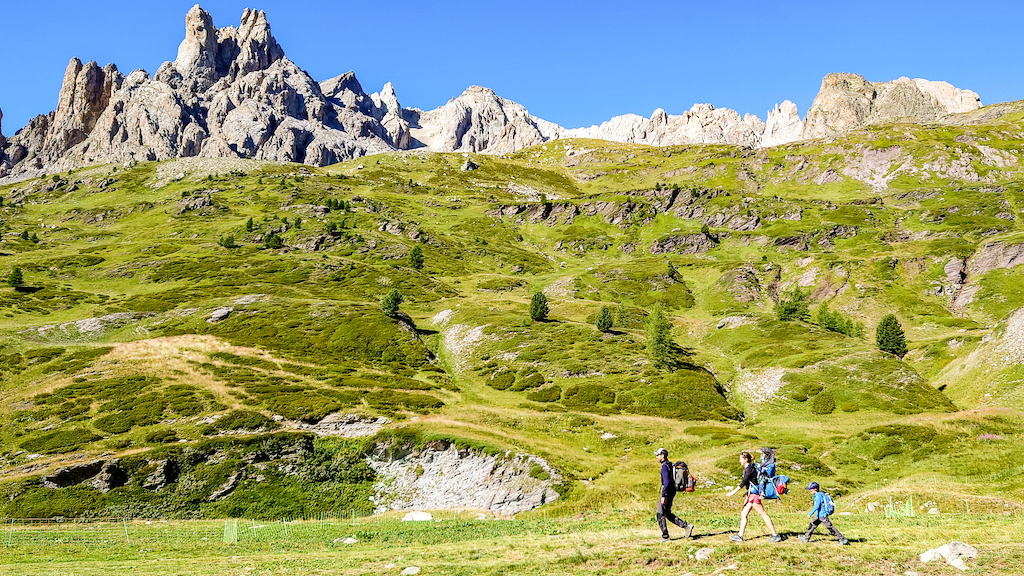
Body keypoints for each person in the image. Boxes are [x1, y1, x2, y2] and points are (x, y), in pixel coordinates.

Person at [726, 450, 781, 542]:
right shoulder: (750, 467)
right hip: (751, 494)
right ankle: (740, 535)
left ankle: (775, 535)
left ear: (746, 459)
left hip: (754, 495)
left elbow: (744, 482)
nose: (739, 461)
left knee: (763, 514)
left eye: (741, 459)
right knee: (744, 514)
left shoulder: (748, 469)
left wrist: (733, 492)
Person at [654, 447, 694, 541]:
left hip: (667, 492)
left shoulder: (664, 466)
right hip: (672, 491)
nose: (656, 457)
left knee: (660, 513)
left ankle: (665, 536)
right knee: (667, 513)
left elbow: (666, 482)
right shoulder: (670, 464)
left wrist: (663, 495)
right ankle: (686, 526)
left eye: (658, 455)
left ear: (662, 456)